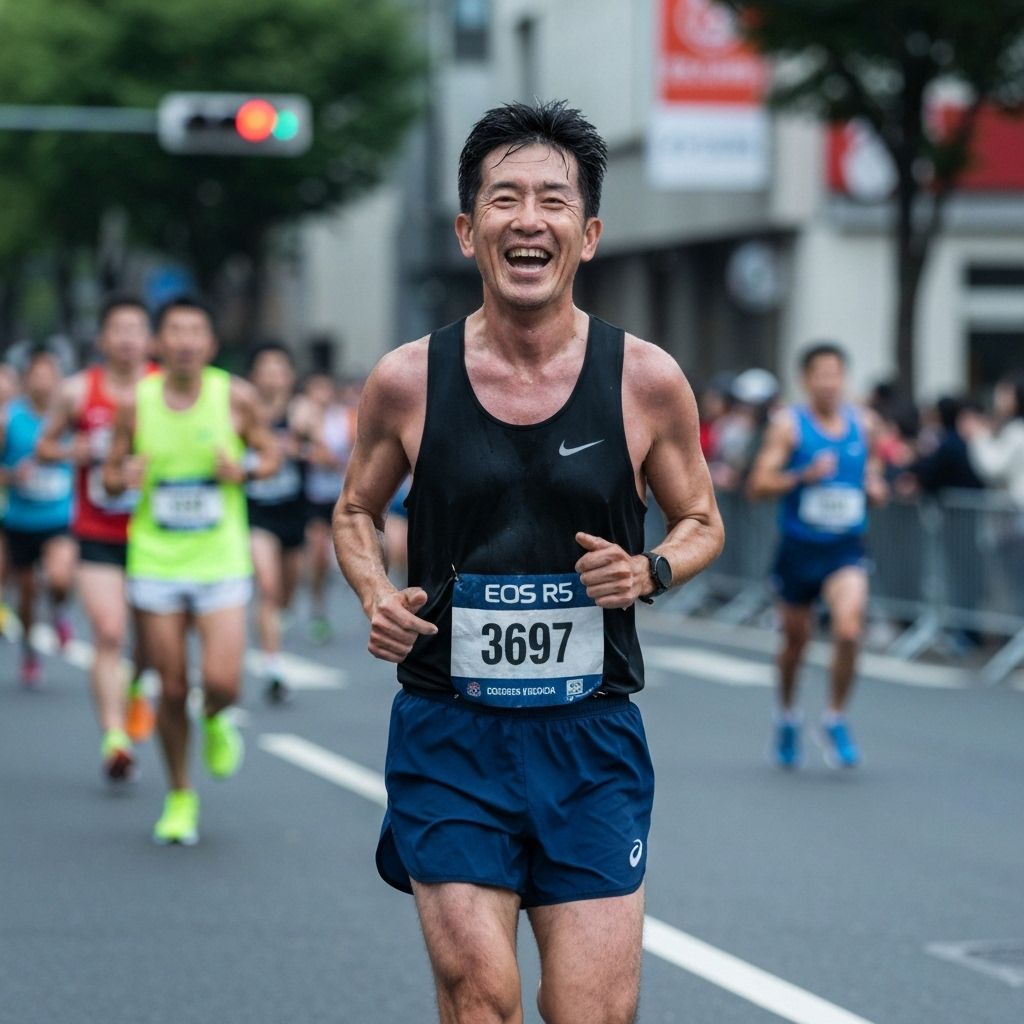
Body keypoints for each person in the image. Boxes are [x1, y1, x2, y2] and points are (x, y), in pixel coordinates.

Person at [333, 100, 723, 1024]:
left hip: (590, 739)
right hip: (450, 731)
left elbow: (701, 519)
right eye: (503, 200)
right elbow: (354, 508)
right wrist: (374, 591)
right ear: (470, 231)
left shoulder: (645, 379)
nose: (527, 220)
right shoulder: (405, 379)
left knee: (590, 1012)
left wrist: (651, 571)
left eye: (553, 202)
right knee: (482, 998)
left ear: (587, 235)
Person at [104, 296, 278, 845]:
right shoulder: (138, 402)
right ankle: (180, 794)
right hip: (156, 560)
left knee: (222, 683)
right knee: (172, 687)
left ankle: (216, 718)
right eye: (173, 331)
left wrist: (244, 468)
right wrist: (121, 475)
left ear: (208, 343)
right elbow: (108, 473)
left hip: (220, 560)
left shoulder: (235, 397)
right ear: (160, 343)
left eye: (194, 331)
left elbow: (270, 455)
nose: (183, 341)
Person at [747, 342, 886, 769]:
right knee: (796, 641)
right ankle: (787, 715)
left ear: (844, 378)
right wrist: (802, 475)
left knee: (848, 631)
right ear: (807, 379)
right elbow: (757, 485)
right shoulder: (789, 426)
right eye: (820, 374)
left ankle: (835, 716)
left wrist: (876, 487)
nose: (829, 381)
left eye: (836, 373)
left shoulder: (865, 423)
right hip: (799, 549)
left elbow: (874, 470)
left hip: (845, 548)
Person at [36, 294, 156, 779]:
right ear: (104, 338)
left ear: (149, 338)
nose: (128, 338)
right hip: (97, 531)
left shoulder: (163, 389)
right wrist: (74, 449)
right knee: (108, 632)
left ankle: (132, 691)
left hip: (155, 535)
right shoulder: (77, 391)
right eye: (119, 329)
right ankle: (114, 737)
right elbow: (45, 445)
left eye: (136, 329)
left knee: (150, 646)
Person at [245, 342, 319, 701]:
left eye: (279, 369)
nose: (273, 376)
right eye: (266, 368)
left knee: (287, 591)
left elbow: (320, 448)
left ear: (290, 376)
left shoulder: (301, 409)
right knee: (268, 586)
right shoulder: (244, 411)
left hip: (293, 512)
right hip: (255, 511)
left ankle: (276, 621)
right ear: (254, 375)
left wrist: (299, 445)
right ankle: (273, 665)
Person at [0, 349, 76, 687]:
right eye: (37, 374)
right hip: (19, 520)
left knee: (60, 578)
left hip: (60, 517)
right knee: (27, 594)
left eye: (50, 373)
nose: (44, 381)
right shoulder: (9, 420)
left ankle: (59, 611)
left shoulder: (71, 416)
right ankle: (31, 652)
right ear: (26, 379)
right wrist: (14, 476)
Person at [960, 373, 1024, 615]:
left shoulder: (1017, 431)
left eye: (1004, 393)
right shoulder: (1012, 429)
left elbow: (992, 467)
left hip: (1015, 519)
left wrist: (978, 435)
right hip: (1011, 520)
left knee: (1014, 583)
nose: (999, 399)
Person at [302, 372, 357, 644]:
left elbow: (352, 451)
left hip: (341, 498)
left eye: (324, 390)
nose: (320, 396)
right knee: (318, 557)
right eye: (315, 391)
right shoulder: (302, 417)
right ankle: (318, 610)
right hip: (314, 500)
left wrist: (326, 457)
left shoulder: (344, 418)